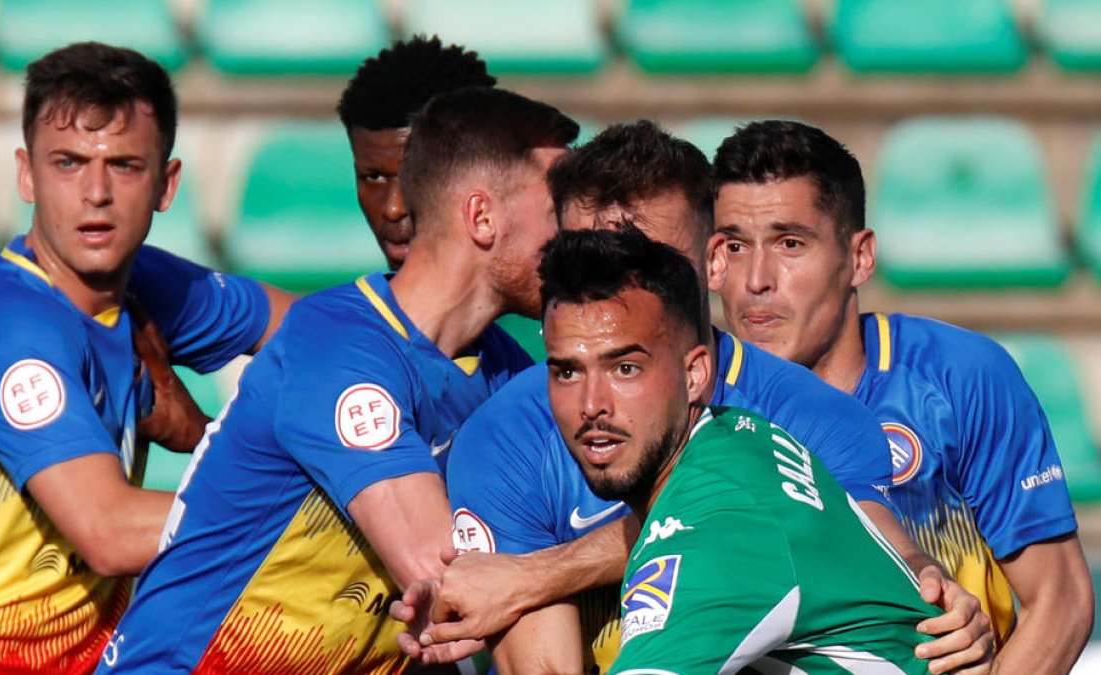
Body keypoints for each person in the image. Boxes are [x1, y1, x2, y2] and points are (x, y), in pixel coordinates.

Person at [400, 122, 990, 674]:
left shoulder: (813, 418)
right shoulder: (503, 438)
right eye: (591, 258)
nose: (615, 293)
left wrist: (540, 573)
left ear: (712, 261)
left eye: (647, 261)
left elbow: (874, 555)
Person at [95, 87, 578, 674]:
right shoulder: (336, 344)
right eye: (557, 208)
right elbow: (453, 584)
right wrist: (603, 555)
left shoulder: (508, 376)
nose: (575, 235)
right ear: (481, 217)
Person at [0, 42, 293, 673]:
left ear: (166, 184)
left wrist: (201, 434)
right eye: (68, 163)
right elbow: (110, 532)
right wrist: (316, 509)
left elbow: (332, 337)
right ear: (27, 174)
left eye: (125, 166)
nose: (96, 193)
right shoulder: (4, 323)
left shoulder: (144, 286)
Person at [707, 119, 1094, 673]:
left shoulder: (959, 377)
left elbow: (1060, 598)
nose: (756, 280)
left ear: (860, 258)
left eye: (790, 243)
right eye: (735, 246)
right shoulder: (688, 401)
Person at [541, 226, 941, 673]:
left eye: (626, 368)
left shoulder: (717, 530)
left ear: (695, 375)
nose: (592, 405)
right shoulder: (737, 435)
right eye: (568, 373)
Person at [337, 34, 496, 271]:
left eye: (417, 176)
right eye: (374, 177)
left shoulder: (547, 290)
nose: (393, 209)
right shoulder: (346, 297)